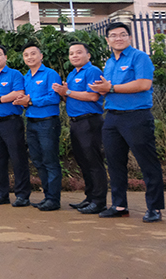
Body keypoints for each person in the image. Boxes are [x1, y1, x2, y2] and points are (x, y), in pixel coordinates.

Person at [89, 22, 164, 223]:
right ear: (107, 40)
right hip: (112, 117)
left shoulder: (139, 57)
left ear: (129, 37)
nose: (118, 38)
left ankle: (154, 207)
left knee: (147, 163)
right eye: (113, 35)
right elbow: (108, 87)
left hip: (136, 116)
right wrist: (101, 88)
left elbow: (143, 84)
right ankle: (119, 205)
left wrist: (110, 87)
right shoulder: (110, 62)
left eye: (123, 34)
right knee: (114, 163)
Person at [52, 42, 107, 215]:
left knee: (93, 162)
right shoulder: (71, 74)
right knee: (83, 161)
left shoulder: (93, 71)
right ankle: (89, 197)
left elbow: (92, 96)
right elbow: (71, 99)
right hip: (75, 122)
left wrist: (67, 92)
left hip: (89, 121)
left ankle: (99, 201)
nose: (74, 56)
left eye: (78, 52)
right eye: (71, 53)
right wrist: (63, 93)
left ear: (88, 55)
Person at [0, 44, 30, 207]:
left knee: (18, 159)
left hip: (11, 122)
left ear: (5, 57)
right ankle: (1, 194)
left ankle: (22, 195)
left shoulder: (14, 74)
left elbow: (19, 93)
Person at [16, 43, 62, 211]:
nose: (30, 57)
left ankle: (54, 199)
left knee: (50, 161)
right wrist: (22, 102)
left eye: (33, 54)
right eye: (26, 54)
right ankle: (47, 196)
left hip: (47, 122)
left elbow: (54, 98)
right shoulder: (26, 77)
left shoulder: (50, 74)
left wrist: (31, 101)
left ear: (41, 56)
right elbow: (25, 100)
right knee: (37, 160)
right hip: (32, 122)